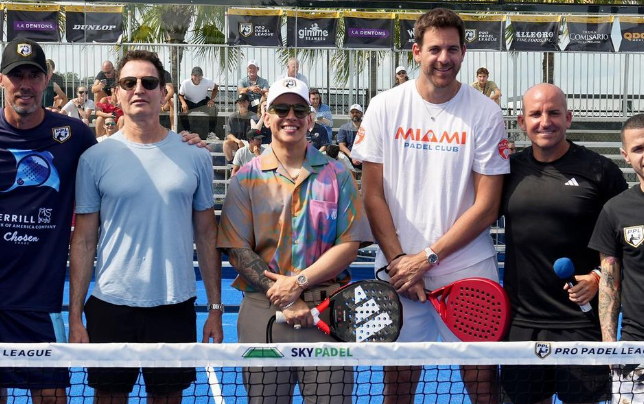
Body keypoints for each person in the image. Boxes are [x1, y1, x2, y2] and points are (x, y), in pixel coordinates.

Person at [350, 9, 509, 404]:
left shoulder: (486, 113)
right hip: (399, 272)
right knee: (398, 388)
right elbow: (372, 194)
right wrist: (400, 262)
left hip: (468, 271)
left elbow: (487, 207)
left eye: (452, 49)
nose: (444, 58)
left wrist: (426, 258)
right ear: (417, 52)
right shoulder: (384, 106)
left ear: (464, 52)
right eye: (435, 49)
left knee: (482, 386)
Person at [68, 50, 223, 404]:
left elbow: (206, 235)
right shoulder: (94, 159)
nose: (139, 89)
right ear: (117, 94)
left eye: (148, 82)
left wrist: (216, 308)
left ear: (164, 92)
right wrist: (75, 315)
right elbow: (84, 240)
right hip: (110, 305)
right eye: (129, 82)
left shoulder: (195, 156)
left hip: (174, 306)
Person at [217, 77, 372, 404]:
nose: (291, 116)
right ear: (267, 115)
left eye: (300, 109)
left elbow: (349, 244)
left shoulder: (338, 174)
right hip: (263, 312)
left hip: (328, 313)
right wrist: (288, 298)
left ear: (310, 119)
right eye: (281, 108)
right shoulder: (245, 178)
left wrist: (300, 282)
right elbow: (237, 250)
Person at [500, 83, 627, 404]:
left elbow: (627, 241)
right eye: (536, 114)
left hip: (580, 322)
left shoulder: (601, 171)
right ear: (521, 122)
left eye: (554, 113)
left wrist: (598, 277)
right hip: (520, 321)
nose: (545, 121)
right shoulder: (506, 170)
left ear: (569, 118)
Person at [0, 37, 97, 404]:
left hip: (41, 304)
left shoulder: (74, 136)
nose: (25, 84)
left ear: (46, 80)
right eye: (16, 75)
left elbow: (119, 159)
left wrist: (179, 141)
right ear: (1, 80)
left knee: (53, 396)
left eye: (33, 75)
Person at [589, 113, 644, 404]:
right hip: (636, 346)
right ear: (625, 156)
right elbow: (610, 283)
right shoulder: (615, 210)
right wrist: (610, 344)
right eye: (638, 149)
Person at [178, 66, 218, 135]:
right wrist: (183, 103)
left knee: (213, 109)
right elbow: (180, 95)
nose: (197, 78)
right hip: (189, 102)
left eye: (199, 75)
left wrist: (212, 100)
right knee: (181, 109)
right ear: (191, 76)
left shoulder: (207, 81)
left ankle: (211, 133)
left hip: (202, 102)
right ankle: (187, 130)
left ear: (202, 76)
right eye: (195, 75)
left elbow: (215, 88)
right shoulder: (185, 83)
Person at [223, 93, 253, 162]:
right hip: (237, 143)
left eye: (244, 102)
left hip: (250, 143)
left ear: (248, 103)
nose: (242, 104)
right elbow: (229, 134)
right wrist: (238, 141)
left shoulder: (253, 116)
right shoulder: (232, 117)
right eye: (240, 102)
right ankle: (231, 163)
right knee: (226, 143)